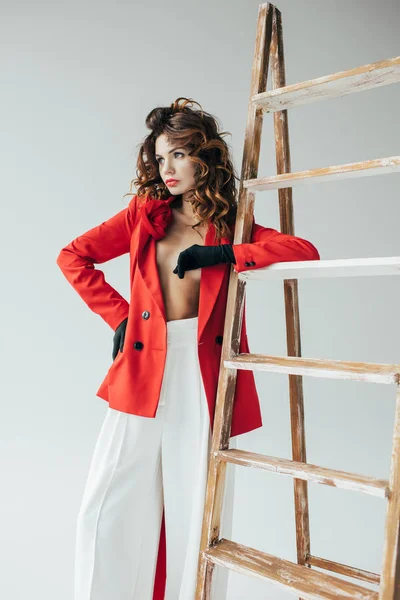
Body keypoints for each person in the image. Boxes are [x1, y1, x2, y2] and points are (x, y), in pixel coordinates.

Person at [56, 97, 320, 600]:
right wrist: (119, 315)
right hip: (141, 370)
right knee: (105, 505)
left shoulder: (234, 224)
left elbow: (302, 249)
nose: (167, 169)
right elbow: (73, 256)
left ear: (206, 156)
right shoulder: (143, 215)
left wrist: (225, 252)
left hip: (204, 374)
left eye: (177, 154)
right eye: (159, 159)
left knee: (196, 511)